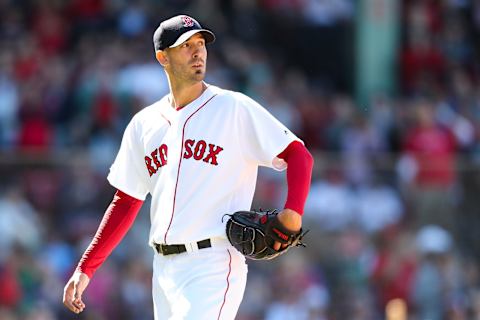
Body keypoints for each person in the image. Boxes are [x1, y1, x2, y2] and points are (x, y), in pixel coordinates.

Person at [62, 14, 314, 319]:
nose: (198, 52)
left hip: (212, 263)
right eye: (185, 45)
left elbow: (299, 155)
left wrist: (293, 212)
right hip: (162, 269)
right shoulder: (144, 124)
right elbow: (126, 200)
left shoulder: (232, 107)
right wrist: (86, 267)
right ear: (162, 57)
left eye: (201, 43)